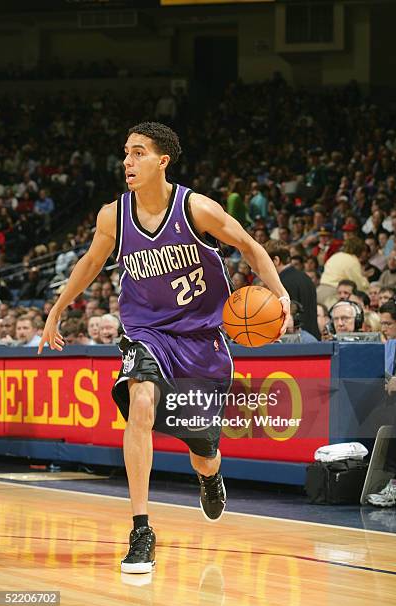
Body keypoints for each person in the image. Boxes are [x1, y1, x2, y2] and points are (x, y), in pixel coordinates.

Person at [38, 122, 290, 574]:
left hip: (201, 340)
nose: (127, 162)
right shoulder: (112, 216)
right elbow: (91, 262)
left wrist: (282, 295)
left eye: (138, 153)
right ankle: (141, 529)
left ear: (162, 160)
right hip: (146, 332)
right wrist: (56, 310)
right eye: (125, 153)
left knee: (204, 451)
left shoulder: (197, 209)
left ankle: (209, 476)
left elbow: (251, 248)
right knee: (140, 401)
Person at [366, 298, 396, 506]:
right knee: (372, 408)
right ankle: (363, 469)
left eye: (388, 324)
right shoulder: (389, 345)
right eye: (381, 323)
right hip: (395, 397)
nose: (384, 328)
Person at [267, 241, 320, 339]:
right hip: (313, 337)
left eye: (266, 262)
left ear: (276, 260)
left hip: (295, 341)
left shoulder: (280, 285)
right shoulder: (306, 277)